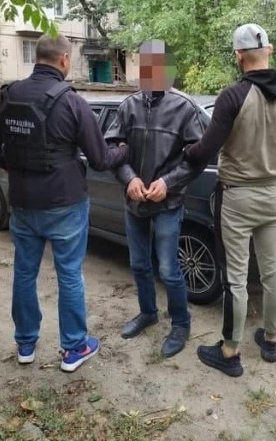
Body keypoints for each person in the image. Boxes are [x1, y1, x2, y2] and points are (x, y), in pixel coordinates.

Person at [0, 33, 129, 372]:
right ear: (63, 59)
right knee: (69, 274)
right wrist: (125, 150)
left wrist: (16, 166)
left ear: (37, 58)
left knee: (24, 272)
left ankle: (25, 344)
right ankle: (74, 348)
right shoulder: (72, 102)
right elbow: (101, 159)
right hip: (65, 204)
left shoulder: (6, 96)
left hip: (22, 203)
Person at [184, 24, 276, 377]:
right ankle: (270, 340)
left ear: (238, 56)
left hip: (236, 198)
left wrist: (187, 151)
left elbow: (205, 150)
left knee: (235, 278)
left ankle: (230, 351)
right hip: (272, 196)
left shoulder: (232, 97)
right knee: (273, 272)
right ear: (270, 49)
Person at [105, 40, 205, 358]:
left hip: (168, 203)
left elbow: (198, 158)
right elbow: (112, 148)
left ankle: (181, 324)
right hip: (134, 200)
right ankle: (148, 313)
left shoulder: (184, 108)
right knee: (138, 264)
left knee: (169, 269)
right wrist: (129, 178)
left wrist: (167, 182)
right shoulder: (128, 106)